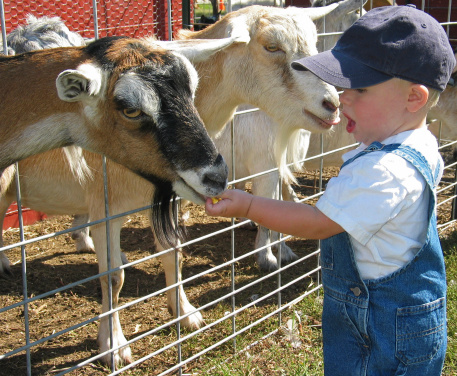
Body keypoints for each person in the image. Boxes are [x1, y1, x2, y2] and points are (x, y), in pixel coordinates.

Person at [205, 5, 455, 375]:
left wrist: (248, 204)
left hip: (380, 333)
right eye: (342, 84)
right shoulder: (419, 143)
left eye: (359, 88)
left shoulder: (383, 171)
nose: (341, 97)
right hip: (406, 321)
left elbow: (317, 224)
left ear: (413, 98)